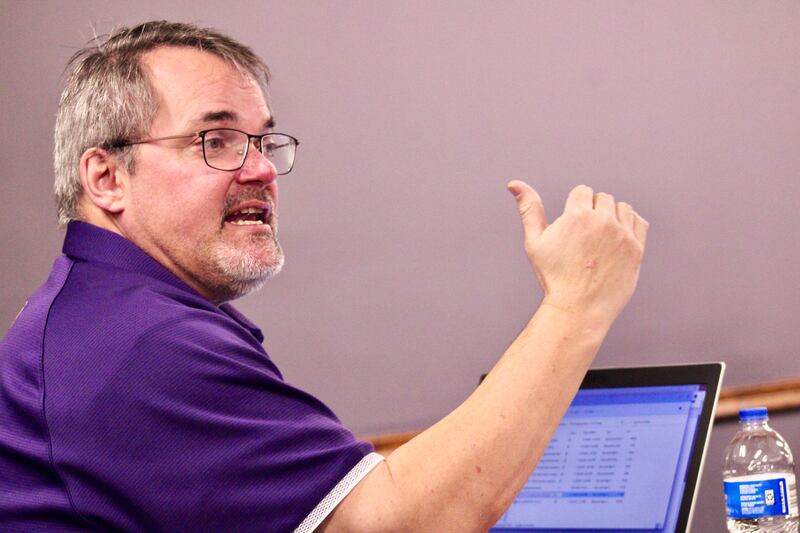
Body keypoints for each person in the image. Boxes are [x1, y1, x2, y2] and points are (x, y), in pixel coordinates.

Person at [0, 20, 648, 533]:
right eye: (216, 141)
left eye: (263, 142)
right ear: (106, 178)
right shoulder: (135, 342)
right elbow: (396, 524)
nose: (260, 171)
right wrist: (576, 305)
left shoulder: (112, 312)